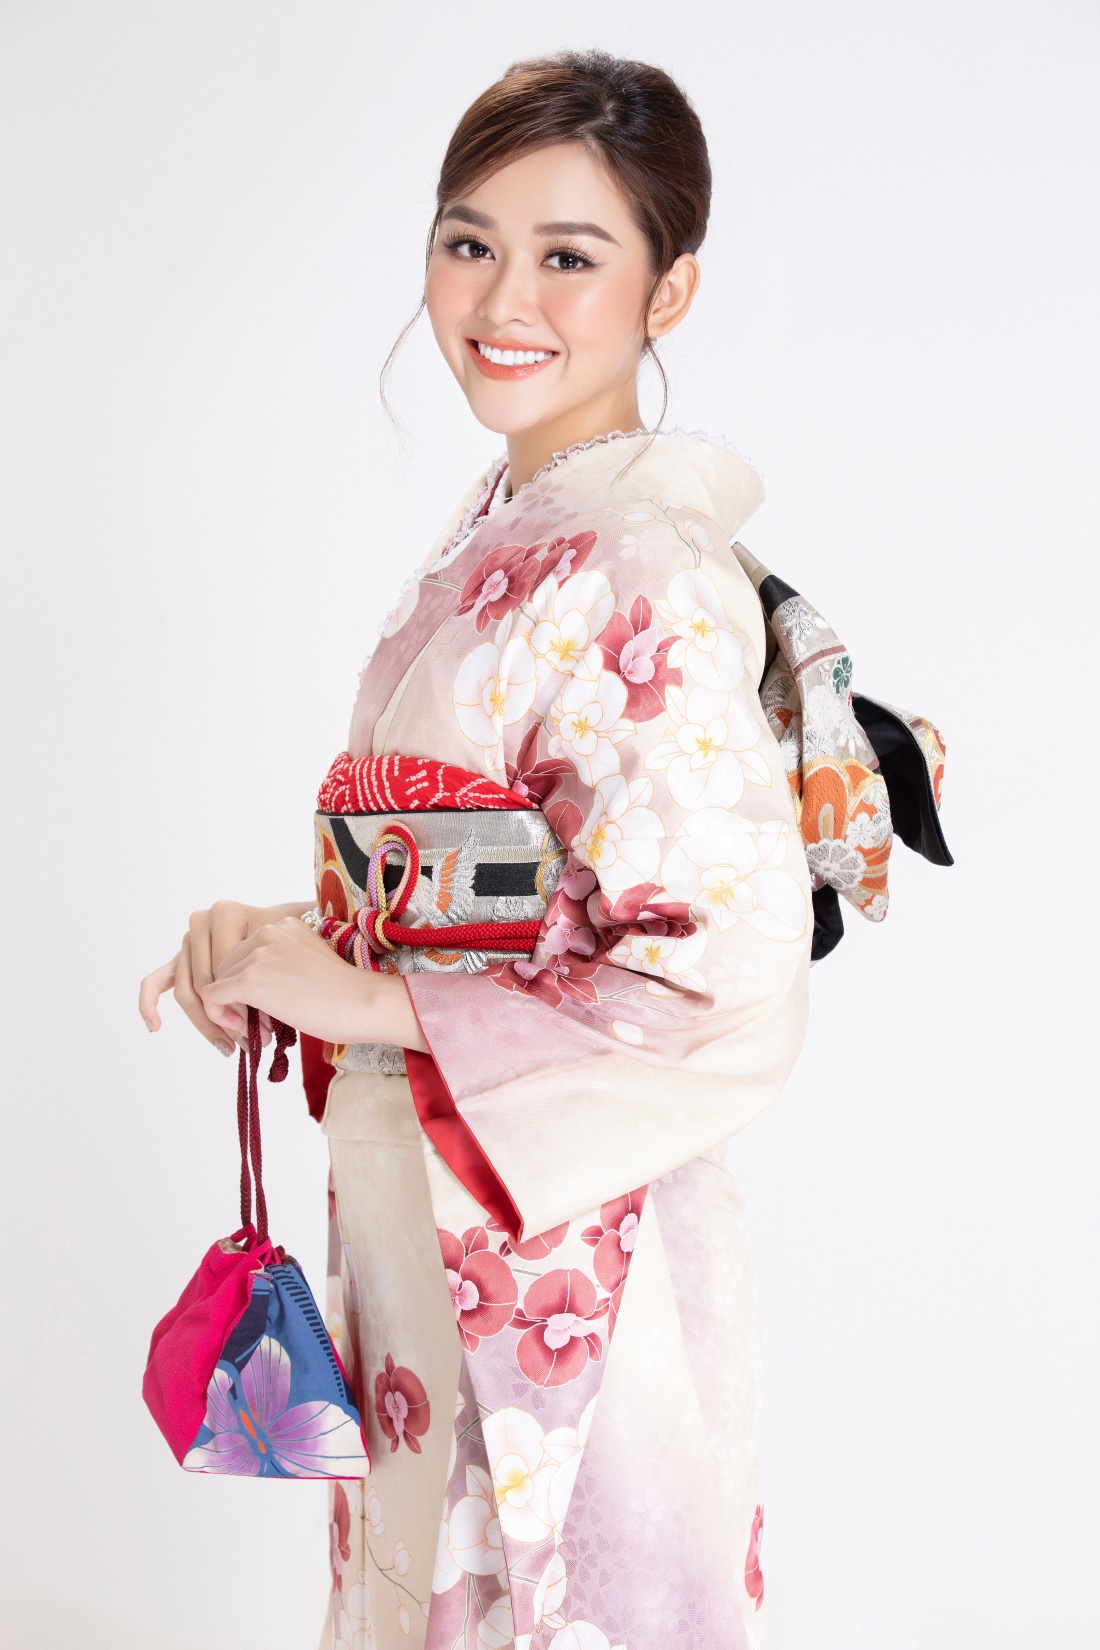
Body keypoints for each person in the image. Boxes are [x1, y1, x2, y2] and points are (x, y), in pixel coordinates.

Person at [141, 50, 818, 1650]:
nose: (504, 299)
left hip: (572, 1257)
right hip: (431, 1218)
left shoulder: (641, 567)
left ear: (670, 289)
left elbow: (725, 979)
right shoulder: (512, 533)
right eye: (470, 242)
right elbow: (483, 890)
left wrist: (376, 1000)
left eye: (570, 255)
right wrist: (286, 946)